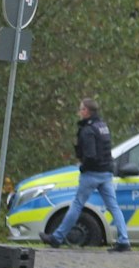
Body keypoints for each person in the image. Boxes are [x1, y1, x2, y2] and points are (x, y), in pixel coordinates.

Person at [43, 97, 131, 251]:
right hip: (106, 173)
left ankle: (57, 237)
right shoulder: (102, 126)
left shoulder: (88, 130)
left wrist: (83, 167)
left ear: (86, 111)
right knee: (113, 207)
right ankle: (124, 240)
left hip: (91, 173)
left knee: (77, 205)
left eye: (81, 109)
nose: (79, 112)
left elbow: (90, 155)